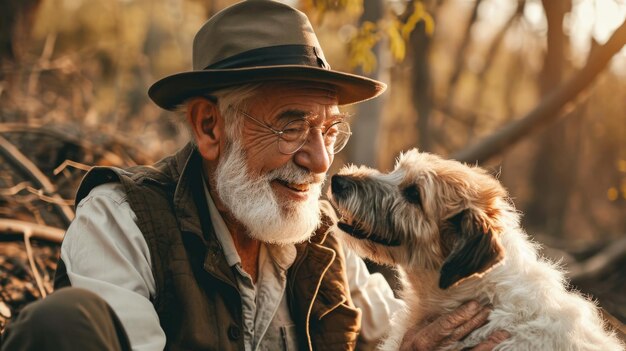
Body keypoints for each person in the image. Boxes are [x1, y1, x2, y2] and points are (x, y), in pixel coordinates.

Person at [0, 1, 507, 350]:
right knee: (61, 323)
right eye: (292, 126)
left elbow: (397, 334)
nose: (321, 160)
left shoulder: (323, 238)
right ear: (209, 126)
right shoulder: (121, 220)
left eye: (329, 130)